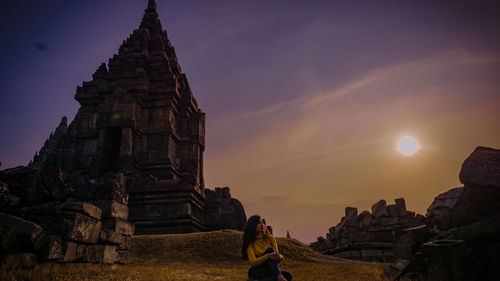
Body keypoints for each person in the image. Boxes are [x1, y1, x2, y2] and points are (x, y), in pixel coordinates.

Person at [242, 215, 293, 281]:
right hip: (257, 271)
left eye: (262, 222)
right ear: (252, 226)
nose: (261, 225)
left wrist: (280, 257)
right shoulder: (250, 242)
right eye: (258, 223)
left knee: (288, 275)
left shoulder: (270, 238)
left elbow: (276, 256)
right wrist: (268, 256)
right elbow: (253, 262)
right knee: (270, 250)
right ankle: (279, 276)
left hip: (269, 270)